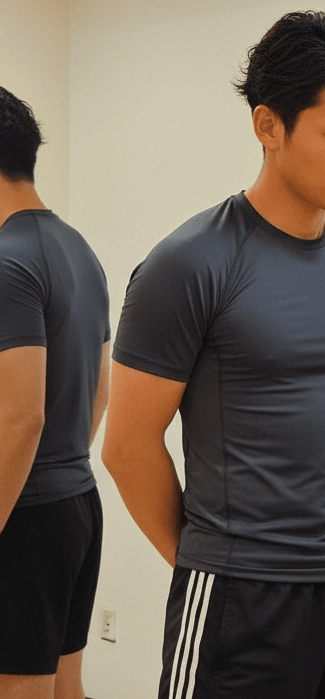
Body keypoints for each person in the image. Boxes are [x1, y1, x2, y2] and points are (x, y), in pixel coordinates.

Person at [101, 11, 325, 699]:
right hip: (242, 598)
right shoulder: (190, 264)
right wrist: (213, 565)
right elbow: (127, 447)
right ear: (269, 126)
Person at [0, 86, 110, 699]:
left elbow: (22, 417)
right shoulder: (77, 249)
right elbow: (99, 392)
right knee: (65, 688)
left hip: (24, 516)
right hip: (75, 505)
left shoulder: (7, 262)